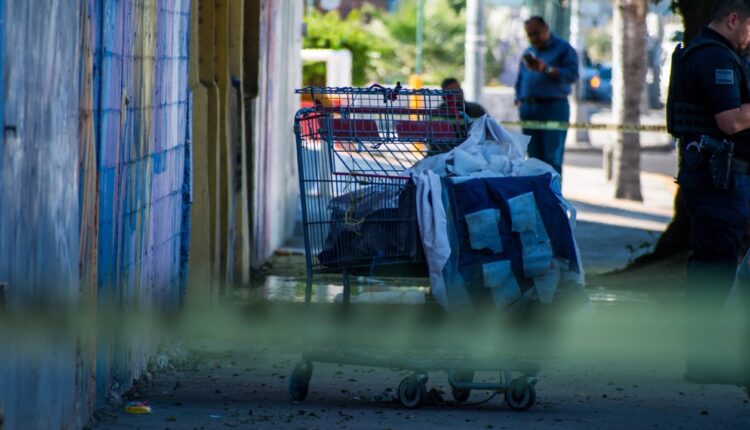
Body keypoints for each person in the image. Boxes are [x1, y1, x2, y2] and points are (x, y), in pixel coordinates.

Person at [667, 0, 750, 390]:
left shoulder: (706, 52)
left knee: (715, 265)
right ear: (733, 20)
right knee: (713, 269)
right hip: (718, 181)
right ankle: (705, 359)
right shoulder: (714, 57)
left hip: (716, 179)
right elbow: (730, 121)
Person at [514, 16, 579, 176]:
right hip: (529, 109)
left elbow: (572, 75)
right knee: (533, 160)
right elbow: (521, 79)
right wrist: (520, 99)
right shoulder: (529, 51)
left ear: (546, 29)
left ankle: (552, 199)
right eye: (529, 35)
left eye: (536, 33)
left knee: (552, 159)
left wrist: (547, 69)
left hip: (553, 108)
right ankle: (538, 198)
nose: (533, 38)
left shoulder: (563, 49)